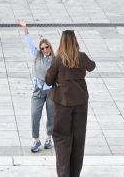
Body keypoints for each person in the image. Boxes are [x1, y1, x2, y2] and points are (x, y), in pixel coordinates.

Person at [46, 29, 96, 177]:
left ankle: (63, 174)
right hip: (80, 103)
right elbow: (92, 66)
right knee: (78, 139)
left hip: (62, 104)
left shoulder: (58, 60)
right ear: (75, 42)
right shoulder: (81, 57)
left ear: (62, 42)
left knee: (62, 139)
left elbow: (48, 80)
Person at [18, 19, 55, 153]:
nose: (45, 49)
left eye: (47, 47)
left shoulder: (55, 60)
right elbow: (29, 42)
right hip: (38, 91)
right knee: (35, 114)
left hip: (51, 91)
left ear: (50, 47)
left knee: (51, 115)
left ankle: (49, 138)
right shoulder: (37, 56)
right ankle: (36, 140)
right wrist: (25, 28)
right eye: (43, 48)